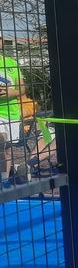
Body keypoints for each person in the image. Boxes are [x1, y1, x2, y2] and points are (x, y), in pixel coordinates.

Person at [0, 52, 26, 185]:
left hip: (12, 114)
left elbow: (22, 89)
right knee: (1, 141)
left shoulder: (11, 63)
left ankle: (4, 181)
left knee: (7, 150)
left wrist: (12, 92)